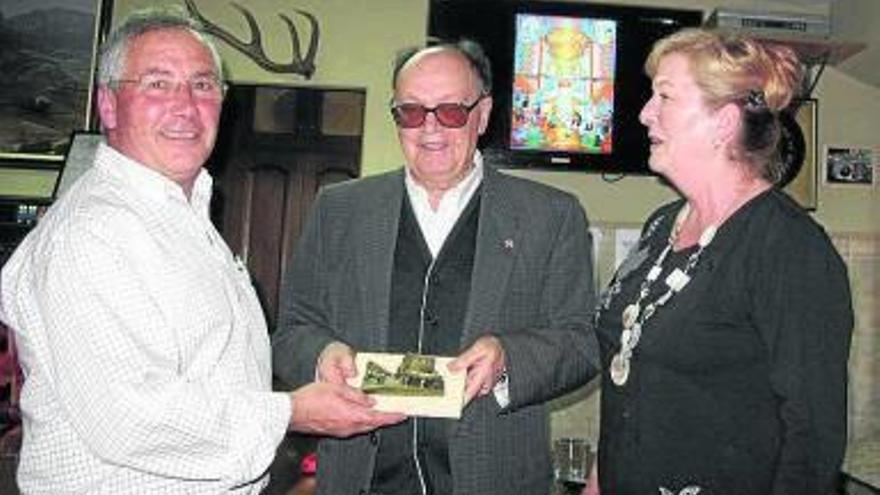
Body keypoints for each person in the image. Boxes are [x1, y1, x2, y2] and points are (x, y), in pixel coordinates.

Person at [0, 8, 402, 494]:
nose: (186, 107)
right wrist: (295, 411)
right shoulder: (91, 233)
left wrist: (321, 362)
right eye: (157, 84)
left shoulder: (177, 215)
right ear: (108, 105)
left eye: (203, 85)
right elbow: (131, 418)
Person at [272, 40, 599, 495]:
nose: (429, 128)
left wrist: (508, 358)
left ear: (482, 114)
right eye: (410, 112)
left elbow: (582, 343)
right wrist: (321, 354)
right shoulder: (339, 209)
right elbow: (292, 330)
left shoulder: (551, 215)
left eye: (449, 111)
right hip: (358, 479)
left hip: (493, 478)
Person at [590, 28, 853, 494]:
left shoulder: (788, 248)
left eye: (664, 97)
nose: (645, 113)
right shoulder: (661, 225)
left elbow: (812, 439)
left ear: (723, 123)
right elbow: (633, 383)